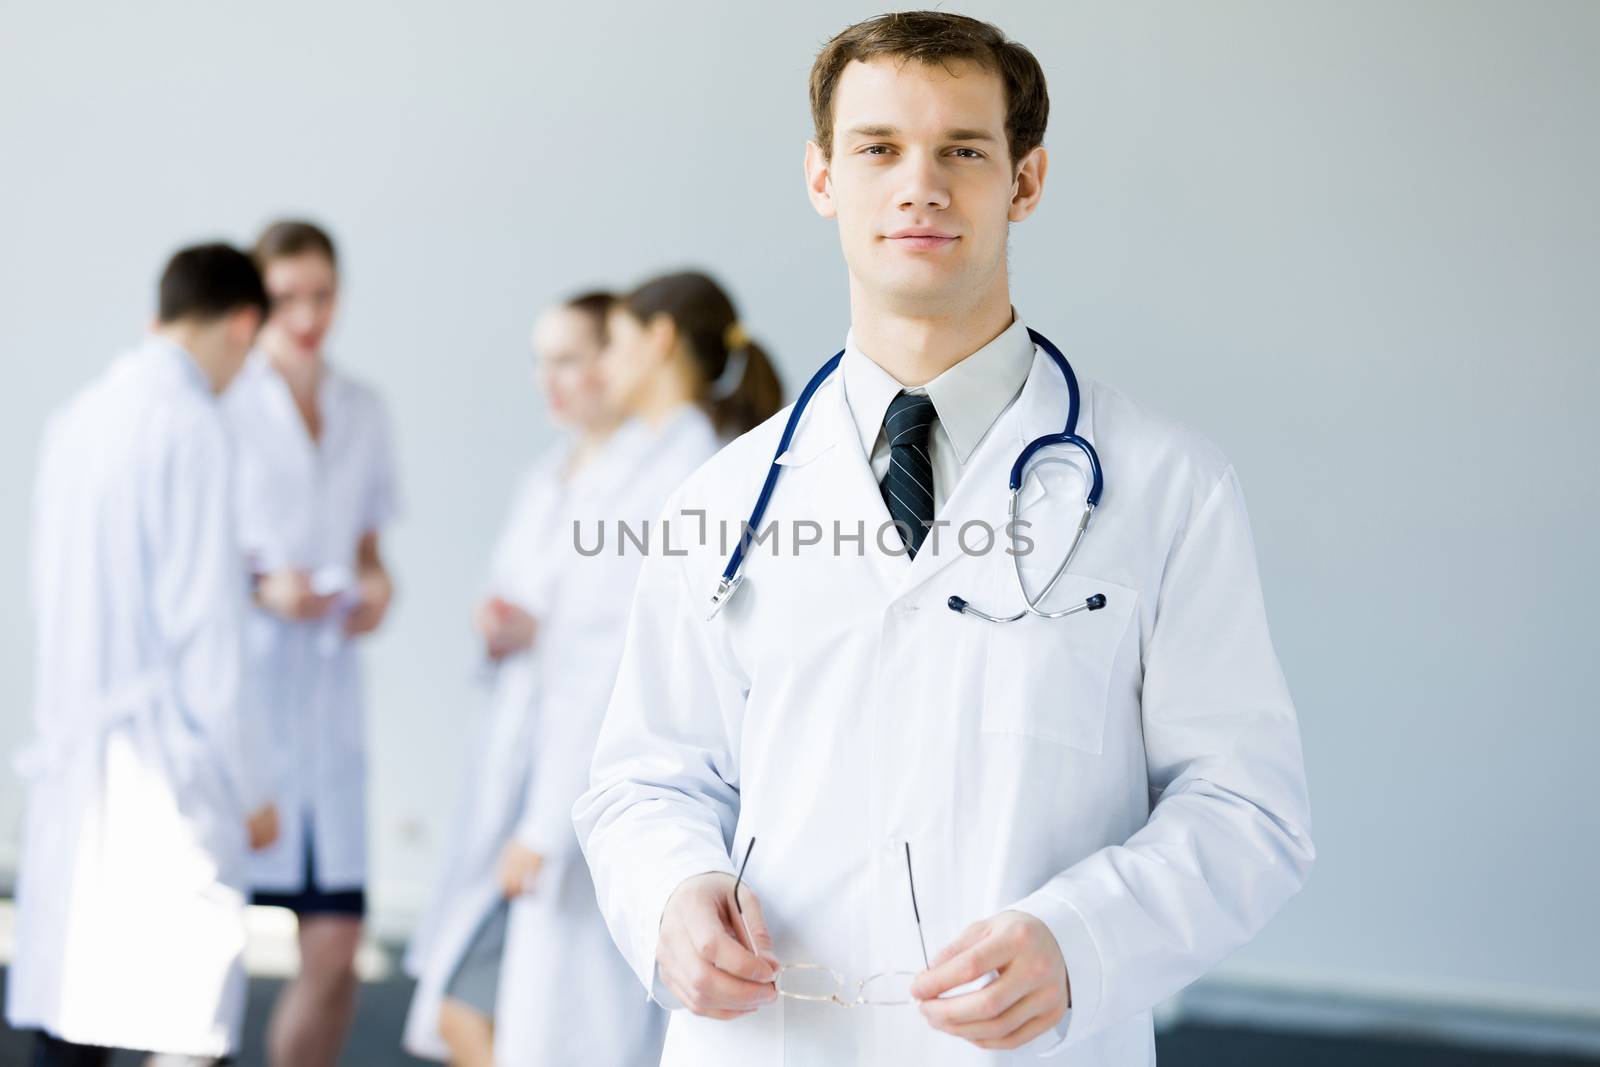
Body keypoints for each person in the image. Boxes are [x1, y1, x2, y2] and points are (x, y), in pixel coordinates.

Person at [573, 12, 1315, 1066]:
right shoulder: (723, 497)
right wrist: (669, 897)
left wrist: (1082, 938)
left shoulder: (1166, 486)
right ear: (822, 176)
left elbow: (1247, 805)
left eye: (962, 151)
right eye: (877, 148)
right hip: (774, 1038)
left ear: (1025, 182)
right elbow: (643, 779)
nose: (918, 184)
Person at [487, 270, 782, 1067]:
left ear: (656, 342)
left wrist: (544, 823)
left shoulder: (687, 474)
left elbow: (605, 667)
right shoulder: (646, 462)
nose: (597, 365)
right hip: (615, 799)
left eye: (610, 341)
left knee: (572, 1034)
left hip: (619, 803)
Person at [8, 243, 274, 1066]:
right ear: (242, 323)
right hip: (164, 771)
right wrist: (250, 786)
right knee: (180, 1023)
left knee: (74, 1017)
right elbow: (206, 634)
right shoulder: (192, 425)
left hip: (79, 746)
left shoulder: (80, 415)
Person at [400, 291, 627, 1065]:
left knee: (488, 1009)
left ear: (618, 359)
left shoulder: (641, 483)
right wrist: (500, 628)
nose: (548, 379)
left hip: (576, 792)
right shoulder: (546, 478)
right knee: (475, 1010)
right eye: (541, 361)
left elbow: (611, 647)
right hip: (518, 766)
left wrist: (544, 630)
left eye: (567, 358)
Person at [222, 220, 399, 1067]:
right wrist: (265, 588)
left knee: (336, 951)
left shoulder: (362, 408)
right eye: (287, 297)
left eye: (321, 295)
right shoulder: (224, 406)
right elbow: (194, 563)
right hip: (245, 699)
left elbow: (370, 549)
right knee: (206, 955)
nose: (306, 314)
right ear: (256, 302)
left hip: (329, 706)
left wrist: (375, 590)